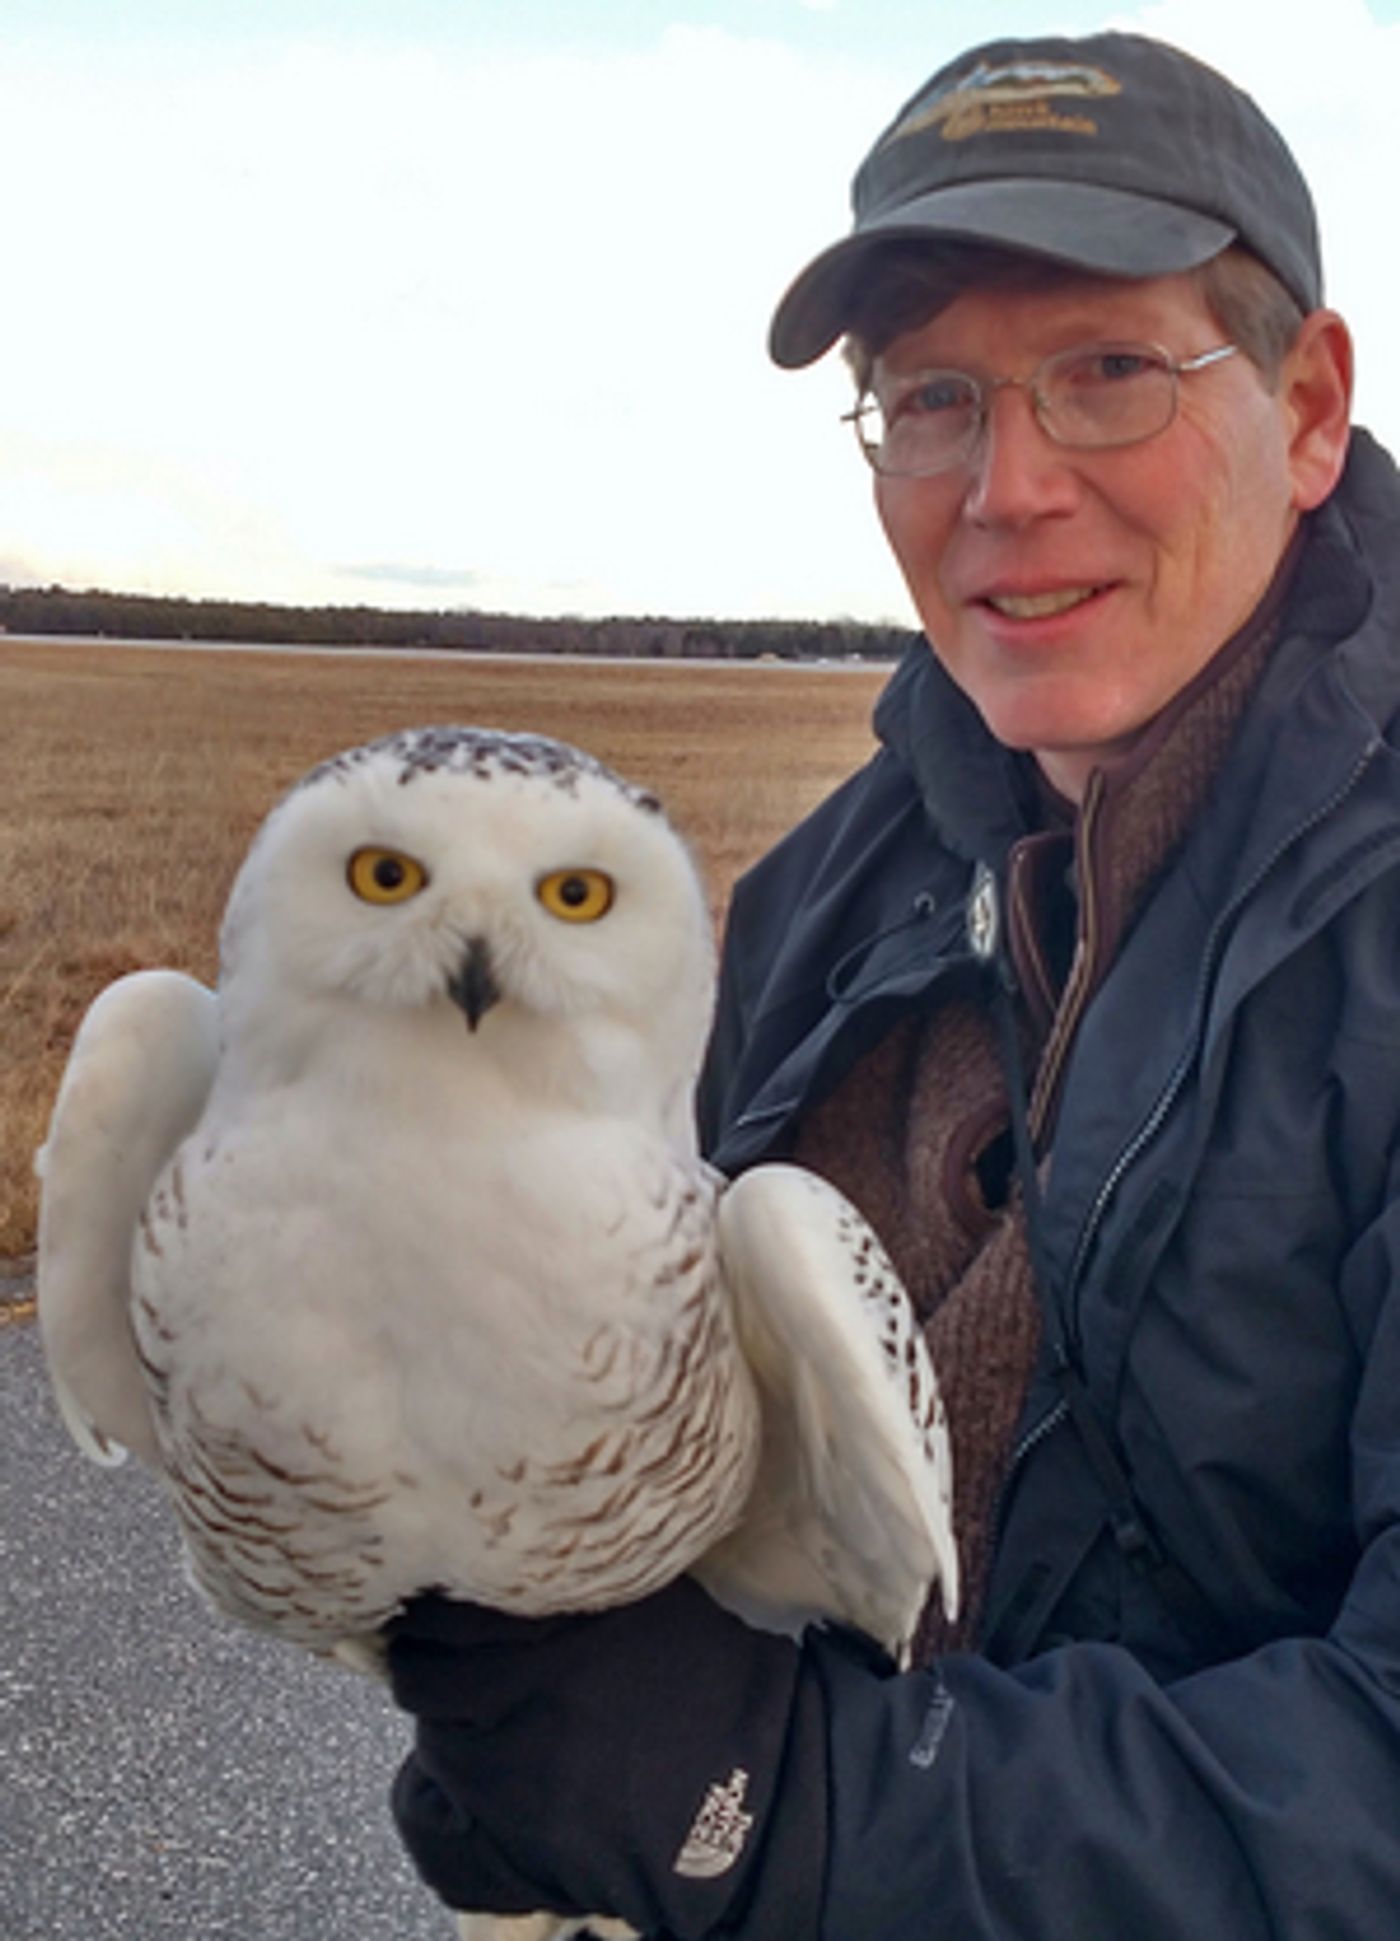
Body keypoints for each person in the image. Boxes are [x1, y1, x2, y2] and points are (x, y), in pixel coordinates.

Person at [385, 29, 1400, 1937]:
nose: (1003, 487)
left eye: (1107, 373)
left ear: (1313, 403)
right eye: (930, 396)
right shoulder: (828, 891)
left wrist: (796, 1808)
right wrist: (544, 1701)